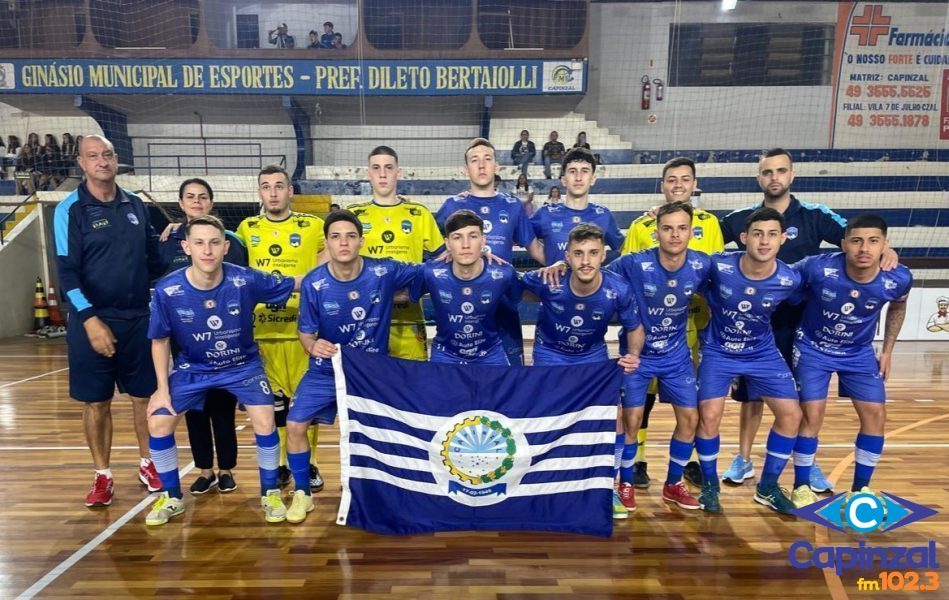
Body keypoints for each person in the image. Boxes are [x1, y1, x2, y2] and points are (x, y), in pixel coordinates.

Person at [718, 148, 898, 493]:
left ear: (792, 176)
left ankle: (808, 462)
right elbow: (703, 234)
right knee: (751, 397)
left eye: (781, 171)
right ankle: (743, 457)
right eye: (767, 172)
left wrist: (887, 250)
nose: (774, 178)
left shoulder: (815, 215)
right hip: (756, 324)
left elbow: (859, 236)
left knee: (806, 401)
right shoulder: (744, 218)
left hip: (805, 326)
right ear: (759, 178)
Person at [144, 215, 298, 526]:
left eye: (214, 243)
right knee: (158, 422)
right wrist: (161, 389)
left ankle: (270, 492)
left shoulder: (244, 279)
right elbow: (159, 341)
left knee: (266, 418)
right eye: (199, 243)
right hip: (193, 368)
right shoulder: (168, 290)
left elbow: (295, 282)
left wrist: (339, 274)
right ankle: (172, 497)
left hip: (243, 366)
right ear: (186, 247)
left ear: (226, 247)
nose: (208, 250)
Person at [54, 134, 165, 507]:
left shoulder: (135, 205)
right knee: (96, 402)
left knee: (143, 398)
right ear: (81, 163)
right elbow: (66, 275)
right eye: (93, 156)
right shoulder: (70, 209)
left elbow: (155, 262)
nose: (102, 161)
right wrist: (89, 319)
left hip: (138, 319)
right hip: (92, 322)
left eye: (108, 154)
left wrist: (181, 247)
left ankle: (149, 463)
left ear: (116, 160)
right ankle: (102, 474)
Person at [288, 210, 421, 523]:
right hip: (327, 369)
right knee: (294, 425)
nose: (343, 242)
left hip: (373, 371)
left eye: (350, 236)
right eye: (336, 237)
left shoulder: (383, 271)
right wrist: (310, 344)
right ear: (327, 244)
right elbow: (305, 332)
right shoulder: (314, 283)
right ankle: (302, 493)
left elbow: (427, 272)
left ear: (362, 241)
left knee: (393, 429)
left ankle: (394, 490)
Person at [521, 223, 643, 519]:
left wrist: (634, 354)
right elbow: (513, 287)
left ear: (604, 255)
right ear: (567, 255)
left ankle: (609, 485)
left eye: (593, 253)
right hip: (550, 354)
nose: (585, 261)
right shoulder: (550, 279)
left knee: (612, 421)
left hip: (592, 357)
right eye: (578, 254)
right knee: (548, 418)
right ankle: (545, 483)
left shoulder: (618, 289)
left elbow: (635, 327)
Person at [789, 215, 911, 508]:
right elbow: (779, 278)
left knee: (875, 415)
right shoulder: (817, 267)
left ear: (885, 245)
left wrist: (888, 351)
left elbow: (898, 306)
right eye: (856, 241)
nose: (863, 248)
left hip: (858, 352)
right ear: (844, 244)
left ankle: (860, 489)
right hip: (812, 348)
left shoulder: (898, 277)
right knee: (812, 415)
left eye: (873, 241)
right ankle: (801, 486)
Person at [622, 157, 724, 490]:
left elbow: (719, 276)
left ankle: (689, 465)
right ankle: (636, 462)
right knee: (641, 402)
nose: (678, 185)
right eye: (671, 180)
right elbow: (621, 276)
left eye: (685, 179)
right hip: (645, 331)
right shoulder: (640, 227)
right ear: (662, 185)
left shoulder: (710, 225)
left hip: (691, 329)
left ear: (695, 184)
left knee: (692, 405)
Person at [694, 207, 803, 515]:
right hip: (719, 350)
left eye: (771, 234)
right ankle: (710, 485)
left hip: (761, 352)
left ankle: (767, 486)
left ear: (783, 239)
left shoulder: (789, 279)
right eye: (757, 234)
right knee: (709, 416)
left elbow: (799, 303)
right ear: (744, 238)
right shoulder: (718, 266)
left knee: (791, 415)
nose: (764, 241)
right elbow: (693, 280)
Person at [607, 201, 713, 514]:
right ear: (657, 233)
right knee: (631, 422)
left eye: (682, 228)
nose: (675, 235)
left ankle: (672, 484)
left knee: (690, 419)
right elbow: (596, 275)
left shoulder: (701, 265)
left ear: (692, 232)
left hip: (676, 356)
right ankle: (624, 484)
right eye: (667, 228)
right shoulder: (633, 263)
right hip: (636, 357)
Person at [235, 166, 326, 492]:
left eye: (278, 186)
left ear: (290, 191)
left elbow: (326, 269)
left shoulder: (313, 226)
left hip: (303, 332)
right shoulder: (247, 229)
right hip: (262, 334)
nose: (272, 192)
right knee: (274, 407)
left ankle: (310, 462)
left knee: (306, 405)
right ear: (259, 193)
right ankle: (285, 465)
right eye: (265, 187)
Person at [158, 178, 248, 495]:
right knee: (194, 411)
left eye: (203, 197)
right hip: (186, 345)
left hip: (225, 339)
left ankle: (226, 470)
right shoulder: (168, 241)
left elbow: (243, 288)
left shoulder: (232, 242)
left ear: (211, 203)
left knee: (222, 407)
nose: (197, 202)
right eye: (190, 197)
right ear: (181, 204)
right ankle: (204, 469)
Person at [436, 138, 546, 365]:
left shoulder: (513, 205)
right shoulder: (451, 206)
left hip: (502, 306)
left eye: (487, 159)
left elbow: (535, 249)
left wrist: (565, 264)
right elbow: (434, 252)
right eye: (475, 161)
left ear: (497, 166)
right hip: (460, 307)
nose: (482, 165)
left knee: (509, 383)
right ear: (466, 169)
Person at [347, 146, 442, 361]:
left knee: (413, 387)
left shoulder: (418, 214)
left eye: (388, 168)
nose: (382, 174)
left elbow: (442, 263)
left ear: (398, 172)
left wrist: (417, 289)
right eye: (376, 168)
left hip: (408, 320)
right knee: (368, 389)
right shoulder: (353, 215)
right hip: (364, 320)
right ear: (368, 173)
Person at [411, 210, 521, 365]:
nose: (465, 244)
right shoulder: (430, 272)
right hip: (445, 354)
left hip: (490, 354)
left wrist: (562, 264)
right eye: (457, 237)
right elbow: (398, 291)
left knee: (505, 388)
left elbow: (529, 293)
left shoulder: (504, 273)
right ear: (447, 243)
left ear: (483, 241)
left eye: (473, 236)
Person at [531, 148, 624, 268]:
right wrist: (548, 261)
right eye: (572, 171)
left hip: (590, 287)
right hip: (553, 286)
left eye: (584, 171)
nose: (578, 177)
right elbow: (520, 237)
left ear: (592, 179)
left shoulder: (603, 215)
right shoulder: (545, 214)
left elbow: (625, 249)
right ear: (564, 180)